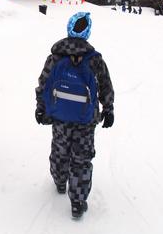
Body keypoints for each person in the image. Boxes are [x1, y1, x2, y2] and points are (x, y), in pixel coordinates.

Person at [35, 12, 115, 219]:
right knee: (81, 157)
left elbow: (43, 84)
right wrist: (108, 108)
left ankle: (60, 182)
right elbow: (105, 85)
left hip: (59, 116)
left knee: (60, 149)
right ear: (87, 32)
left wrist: (41, 107)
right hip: (86, 119)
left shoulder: (55, 57)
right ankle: (78, 202)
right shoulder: (95, 60)